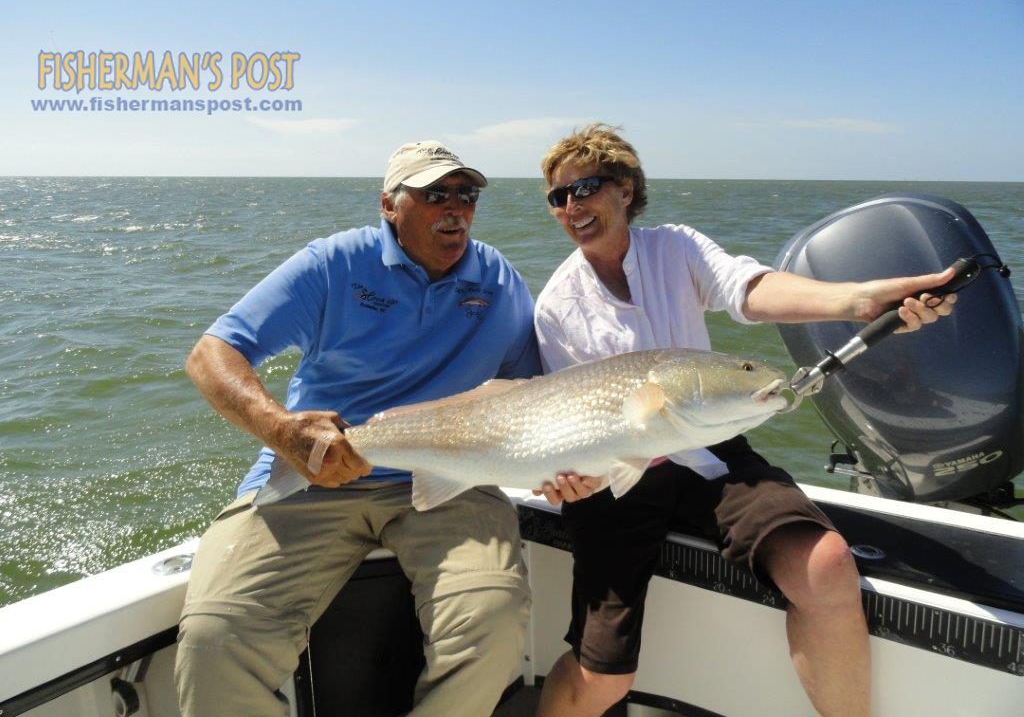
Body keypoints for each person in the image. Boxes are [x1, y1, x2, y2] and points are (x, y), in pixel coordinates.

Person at [531, 124, 957, 717]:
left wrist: (855, 302)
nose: (573, 205)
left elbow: (747, 289)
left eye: (588, 187)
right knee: (603, 677)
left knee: (826, 567)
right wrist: (570, 479)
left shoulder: (674, 249)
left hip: (709, 452)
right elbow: (570, 419)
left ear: (626, 190)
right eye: (559, 196)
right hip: (615, 481)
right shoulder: (556, 305)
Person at [174, 140, 541, 717]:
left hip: (450, 479)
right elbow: (213, 353)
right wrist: (283, 431)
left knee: (493, 623)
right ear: (390, 205)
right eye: (435, 194)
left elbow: (531, 393)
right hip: (315, 474)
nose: (456, 208)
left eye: (466, 194)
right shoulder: (334, 264)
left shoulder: (500, 281)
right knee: (215, 638)